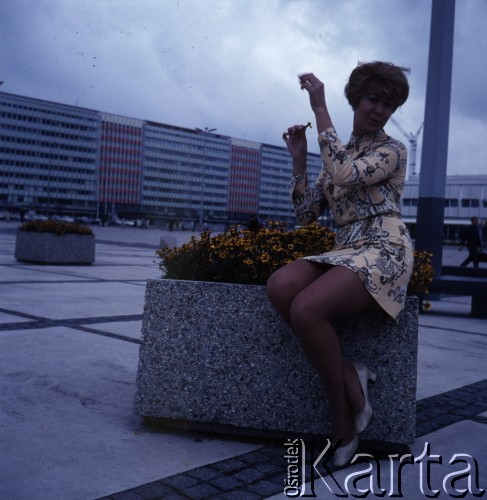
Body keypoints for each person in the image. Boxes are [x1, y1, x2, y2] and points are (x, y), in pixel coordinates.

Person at [266, 62, 413, 467]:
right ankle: (351, 375)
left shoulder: (392, 151)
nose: (379, 110)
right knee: (280, 285)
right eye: (373, 99)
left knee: (307, 308)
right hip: (346, 248)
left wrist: (319, 107)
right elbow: (307, 215)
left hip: (384, 248)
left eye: (388, 104)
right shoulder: (339, 153)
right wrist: (298, 161)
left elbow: (346, 174)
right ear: (358, 99)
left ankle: (342, 417)